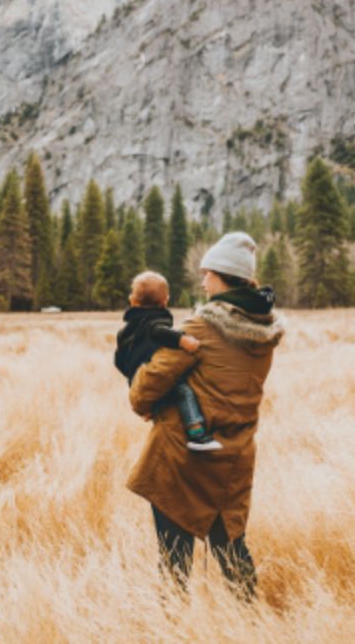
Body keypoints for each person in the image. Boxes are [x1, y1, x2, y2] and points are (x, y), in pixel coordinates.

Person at [126, 231, 284, 601]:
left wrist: (148, 398)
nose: (202, 280)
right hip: (233, 458)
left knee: (174, 563)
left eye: (207, 273)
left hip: (183, 459)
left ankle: (172, 631)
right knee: (232, 552)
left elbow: (145, 388)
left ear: (224, 276)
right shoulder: (263, 330)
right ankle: (251, 626)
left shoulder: (201, 328)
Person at [114, 270, 222, 451]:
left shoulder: (125, 331)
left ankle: (151, 408)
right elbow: (158, 331)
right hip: (152, 377)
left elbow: (118, 360)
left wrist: (133, 377)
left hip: (137, 381)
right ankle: (196, 433)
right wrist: (182, 340)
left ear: (132, 302)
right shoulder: (154, 321)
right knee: (183, 392)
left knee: (163, 399)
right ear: (166, 301)